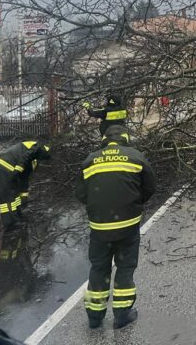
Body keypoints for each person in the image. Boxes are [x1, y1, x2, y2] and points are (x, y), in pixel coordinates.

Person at [75, 124, 156, 329]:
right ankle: (122, 314)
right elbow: (150, 187)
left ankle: (94, 316)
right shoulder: (136, 157)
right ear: (126, 139)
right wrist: (133, 203)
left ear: (104, 140)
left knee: (99, 268)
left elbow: (81, 193)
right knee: (125, 267)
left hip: (99, 227)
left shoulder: (90, 159)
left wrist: (100, 208)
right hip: (128, 226)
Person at [0, 140, 51, 229]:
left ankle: (17, 216)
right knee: (7, 195)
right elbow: (24, 158)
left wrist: (24, 196)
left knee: (15, 194)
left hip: (11, 168)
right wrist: (17, 170)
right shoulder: (37, 147)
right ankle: (10, 223)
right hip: (5, 166)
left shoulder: (33, 160)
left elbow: (24, 179)